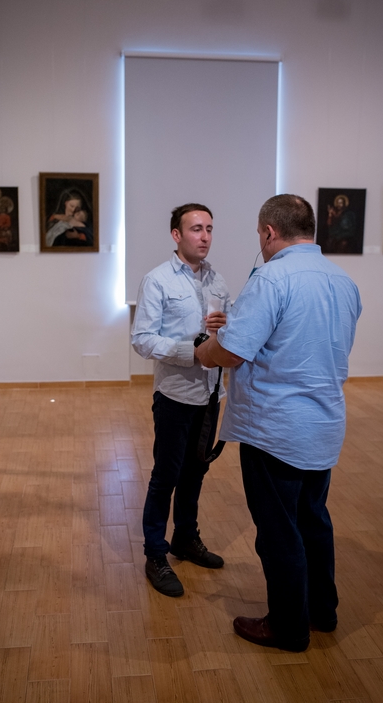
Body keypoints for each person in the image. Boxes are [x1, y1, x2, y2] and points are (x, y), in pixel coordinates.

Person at [196, 194, 361, 651]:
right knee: (313, 521)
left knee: (278, 532)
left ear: (269, 232)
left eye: (259, 235)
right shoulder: (343, 281)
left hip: (275, 428)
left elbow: (232, 351)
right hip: (323, 424)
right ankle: (321, 611)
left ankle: (288, 626)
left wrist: (204, 350)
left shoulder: (272, 278)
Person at [132, 203, 230, 597]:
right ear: (176, 235)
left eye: (209, 229)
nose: (205, 236)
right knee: (166, 477)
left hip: (210, 393)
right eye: (196, 229)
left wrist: (226, 328)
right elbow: (142, 339)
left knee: (196, 472)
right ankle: (155, 554)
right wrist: (192, 351)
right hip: (175, 395)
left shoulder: (218, 281)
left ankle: (185, 538)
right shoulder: (156, 280)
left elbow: (227, 332)